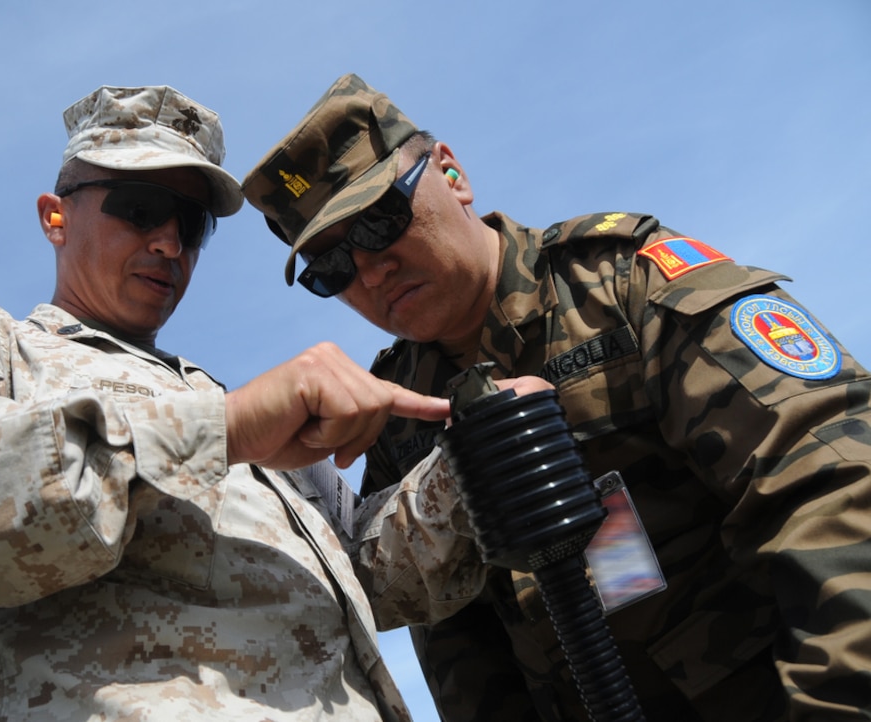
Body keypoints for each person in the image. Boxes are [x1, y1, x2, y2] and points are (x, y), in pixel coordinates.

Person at [0, 84, 498, 721]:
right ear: (55, 217)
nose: (168, 242)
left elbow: (369, 578)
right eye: (141, 208)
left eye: (191, 226)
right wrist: (217, 431)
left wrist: (481, 461)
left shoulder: (232, 409)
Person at [242, 73, 871, 721]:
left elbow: (834, 488)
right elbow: (464, 661)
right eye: (332, 268)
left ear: (451, 175)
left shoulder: (625, 290)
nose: (370, 270)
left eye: (379, 221)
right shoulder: (399, 422)